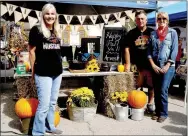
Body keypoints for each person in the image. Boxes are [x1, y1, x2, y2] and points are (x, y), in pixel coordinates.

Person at [29, 3, 63, 135]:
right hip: (43, 73)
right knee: (43, 105)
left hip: (57, 72)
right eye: (47, 13)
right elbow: (31, 52)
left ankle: (50, 126)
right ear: (43, 15)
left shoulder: (57, 30)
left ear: (56, 16)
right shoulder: (36, 30)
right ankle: (38, 132)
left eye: (52, 14)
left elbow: (57, 52)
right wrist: (33, 71)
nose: (50, 16)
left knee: (52, 102)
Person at [147, 12, 178, 123]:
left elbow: (174, 51)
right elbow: (149, 51)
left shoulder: (172, 33)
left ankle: (164, 113)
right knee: (156, 89)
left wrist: (167, 65)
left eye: (164, 18)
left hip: (168, 66)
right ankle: (158, 112)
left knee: (163, 90)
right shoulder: (153, 34)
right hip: (155, 66)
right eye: (159, 18)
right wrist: (153, 65)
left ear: (167, 20)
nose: (161, 20)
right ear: (157, 21)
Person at [124, 10, 154, 113]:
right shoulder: (131, 33)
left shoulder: (152, 32)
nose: (140, 21)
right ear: (135, 20)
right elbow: (126, 49)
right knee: (135, 85)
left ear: (146, 20)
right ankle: (134, 104)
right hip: (136, 64)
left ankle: (150, 105)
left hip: (150, 64)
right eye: (138, 19)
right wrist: (127, 63)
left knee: (151, 86)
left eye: (142, 19)